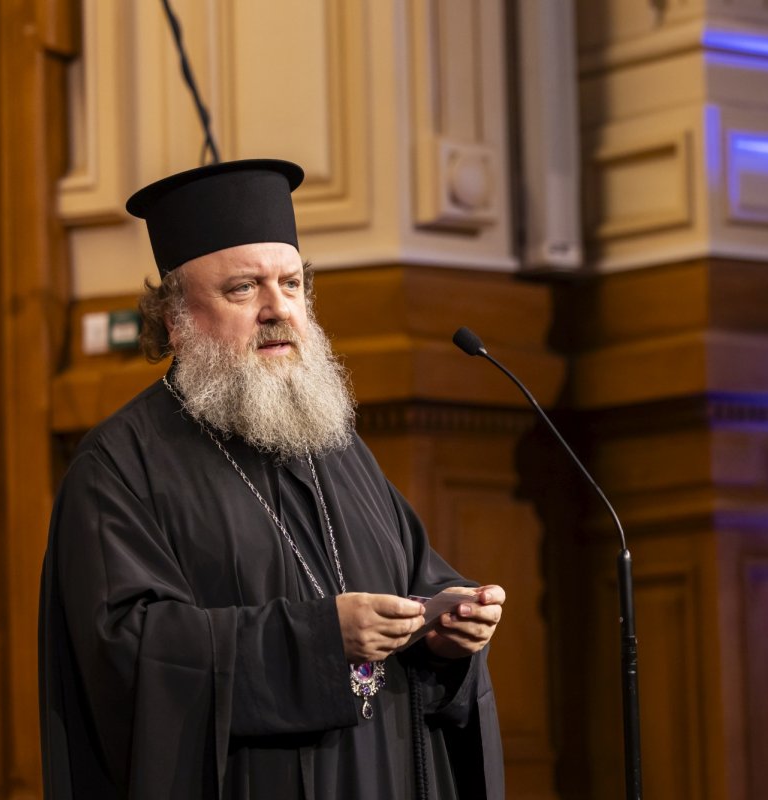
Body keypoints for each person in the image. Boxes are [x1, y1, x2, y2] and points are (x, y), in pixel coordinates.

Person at [39, 159, 506, 799]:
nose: (276, 308)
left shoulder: (332, 439)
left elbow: (417, 576)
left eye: (292, 284)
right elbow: (126, 656)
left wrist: (450, 632)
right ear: (175, 320)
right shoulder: (119, 468)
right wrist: (319, 640)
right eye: (242, 289)